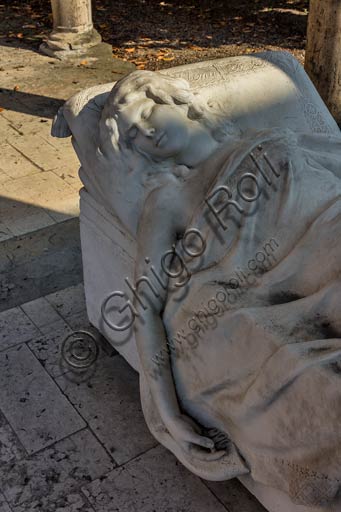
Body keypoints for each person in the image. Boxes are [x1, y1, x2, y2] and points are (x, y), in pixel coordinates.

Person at [102, 70, 341, 507]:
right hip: (294, 275)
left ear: (180, 102)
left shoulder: (271, 136)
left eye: (149, 111)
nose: (146, 131)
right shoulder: (169, 196)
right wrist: (169, 414)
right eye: (132, 134)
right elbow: (145, 305)